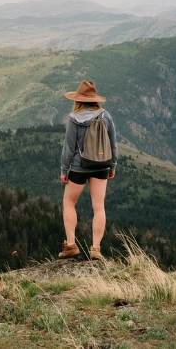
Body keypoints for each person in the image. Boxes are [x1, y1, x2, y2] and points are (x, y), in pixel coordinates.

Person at [58, 81, 117, 260]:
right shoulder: (106, 116)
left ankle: (71, 245)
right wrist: (112, 166)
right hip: (101, 165)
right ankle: (96, 249)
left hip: (79, 166)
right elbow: (113, 144)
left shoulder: (74, 118)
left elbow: (68, 148)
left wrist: (64, 170)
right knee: (99, 207)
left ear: (78, 99)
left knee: (69, 203)